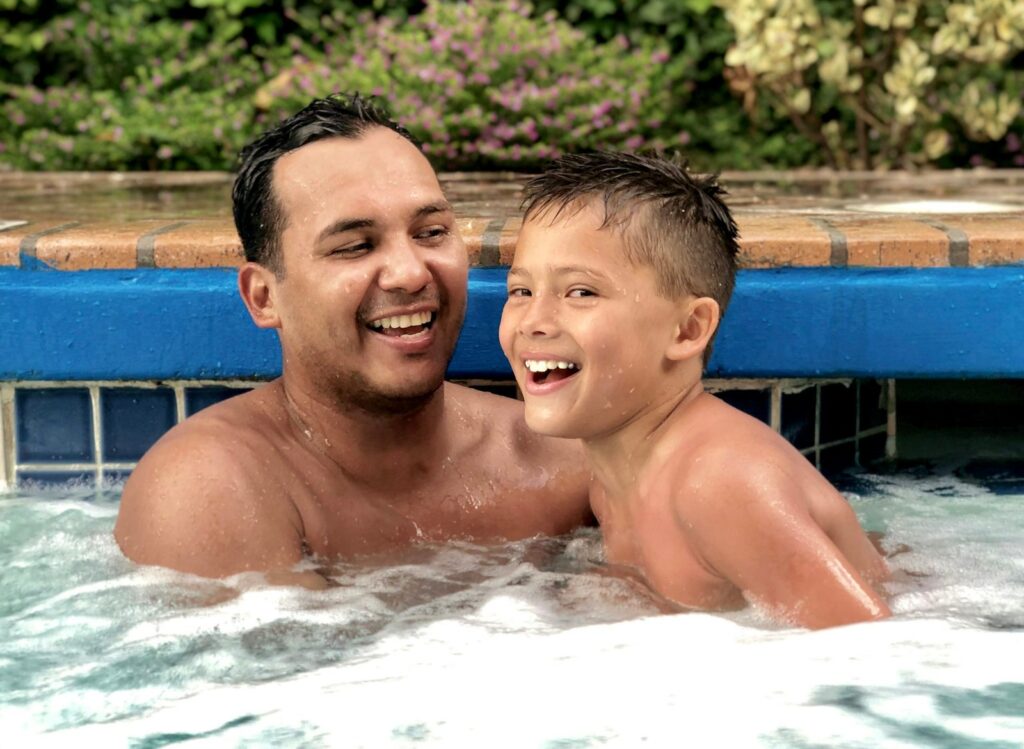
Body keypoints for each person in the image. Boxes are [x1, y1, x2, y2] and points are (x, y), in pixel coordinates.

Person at [114, 95, 592, 588]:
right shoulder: (210, 490)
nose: (409, 273)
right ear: (263, 298)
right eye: (355, 246)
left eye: (430, 232)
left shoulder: (561, 464)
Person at [498, 151, 891, 629]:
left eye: (580, 292)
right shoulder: (612, 477)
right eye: (521, 291)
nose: (534, 322)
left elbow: (873, 650)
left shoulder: (720, 483)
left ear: (687, 330)